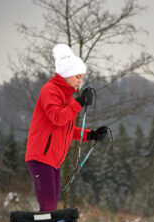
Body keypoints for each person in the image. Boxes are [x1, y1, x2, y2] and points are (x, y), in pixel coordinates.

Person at [25, 44, 109, 212]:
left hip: (54, 161)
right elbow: (57, 117)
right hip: (40, 158)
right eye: (78, 76)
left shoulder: (68, 97)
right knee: (48, 207)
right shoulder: (50, 90)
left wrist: (90, 134)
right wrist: (79, 104)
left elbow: (67, 128)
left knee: (52, 207)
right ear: (67, 74)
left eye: (82, 77)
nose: (80, 81)